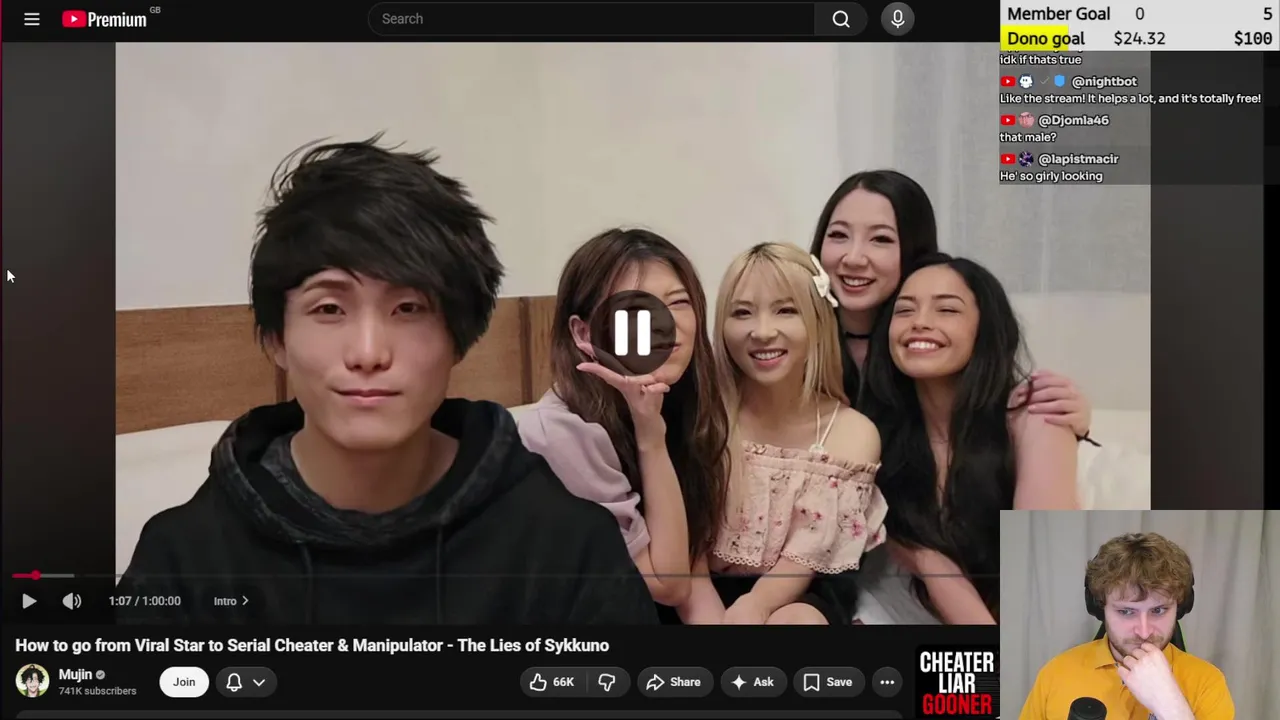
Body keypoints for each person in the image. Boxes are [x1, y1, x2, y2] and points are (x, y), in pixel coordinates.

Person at [116, 137, 658, 625]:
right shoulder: (184, 562)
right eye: (329, 309)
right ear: (276, 339)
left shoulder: (564, 547)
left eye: (408, 308)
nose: (369, 353)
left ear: (459, 337)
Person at [518, 228, 730, 615]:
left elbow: (693, 574)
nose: (665, 323)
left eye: (678, 302)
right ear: (583, 332)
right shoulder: (563, 433)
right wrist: (651, 438)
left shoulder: (672, 406)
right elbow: (669, 585)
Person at [861, 254, 1079, 625]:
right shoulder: (874, 435)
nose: (920, 322)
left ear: (985, 329)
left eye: (947, 309)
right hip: (903, 609)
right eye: (905, 310)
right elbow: (921, 562)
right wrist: (927, 562)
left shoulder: (1034, 414)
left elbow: (1040, 576)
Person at [677, 243, 887, 625]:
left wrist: (757, 606)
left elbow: (809, 548)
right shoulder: (705, 419)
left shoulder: (852, 432)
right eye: (742, 312)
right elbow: (685, 533)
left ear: (817, 321)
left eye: (786, 310)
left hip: (805, 589)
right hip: (702, 586)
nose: (762, 332)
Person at [808, 170, 1093, 436]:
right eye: (839, 235)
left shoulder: (930, 345)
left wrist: (1072, 420)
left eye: (880, 239)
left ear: (913, 248)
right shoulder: (798, 336)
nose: (854, 258)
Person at [1018, 532, 1235, 720]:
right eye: (1126, 612)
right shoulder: (1056, 673)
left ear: (1180, 607)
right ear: (1099, 607)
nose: (1144, 632)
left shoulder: (1208, 683)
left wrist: (1170, 705)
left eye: (1158, 610)